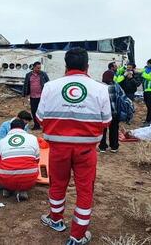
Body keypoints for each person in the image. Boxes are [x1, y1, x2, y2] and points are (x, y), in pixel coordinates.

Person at [37, 48, 111, 245]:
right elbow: (106, 121)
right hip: (87, 151)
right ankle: (77, 236)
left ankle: (55, 219)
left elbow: (40, 118)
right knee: (85, 190)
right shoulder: (101, 89)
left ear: (65, 66)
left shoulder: (50, 87)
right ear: (87, 66)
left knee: (57, 184)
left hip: (58, 149)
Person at [0, 119, 40, 202]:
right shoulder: (33, 138)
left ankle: (7, 188)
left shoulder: (1, 142)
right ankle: (23, 189)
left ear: (10, 128)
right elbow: (37, 160)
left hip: (7, 180)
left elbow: (1, 159)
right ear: (24, 128)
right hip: (29, 180)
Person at [99, 68, 122, 153]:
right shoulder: (116, 86)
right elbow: (122, 98)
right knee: (114, 129)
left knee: (103, 130)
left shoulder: (100, 87)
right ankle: (114, 147)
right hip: (114, 112)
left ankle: (102, 147)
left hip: (102, 113)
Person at [23, 62, 50, 130]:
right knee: (34, 111)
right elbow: (26, 85)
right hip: (33, 96)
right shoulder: (28, 75)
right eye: (38, 68)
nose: (39, 69)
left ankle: (44, 124)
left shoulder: (43, 74)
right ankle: (36, 125)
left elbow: (48, 83)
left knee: (42, 110)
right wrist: (24, 94)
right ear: (34, 67)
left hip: (41, 96)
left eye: (40, 68)